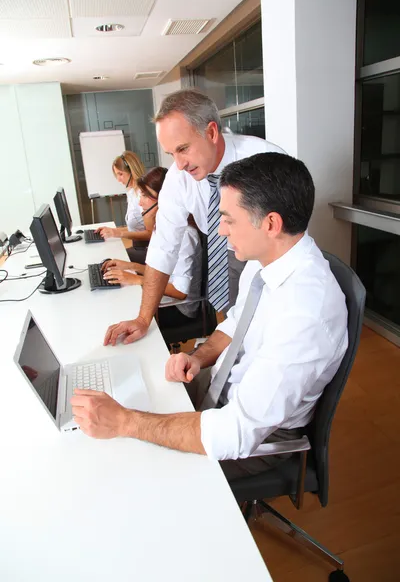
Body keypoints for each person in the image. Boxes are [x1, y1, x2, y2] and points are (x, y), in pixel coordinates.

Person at [71, 152, 348, 481]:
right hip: (220, 389)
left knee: (132, 465)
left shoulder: (306, 312)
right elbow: (234, 325)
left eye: (229, 219)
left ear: (271, 224)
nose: (220, 230)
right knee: (127, 401)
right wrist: (198, 357)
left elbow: (237, 431)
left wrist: (125, 422)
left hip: (255, 437)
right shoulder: (265, 263)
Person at [103, 89, 286, 347]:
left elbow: (289, 238)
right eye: (171, 155)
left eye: (183, 149)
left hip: (268, 256)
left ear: (211, 133)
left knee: (264, 334)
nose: (179, 164)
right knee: (231, 326)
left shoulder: (266, 160)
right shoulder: (179, 179)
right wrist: (143, 319)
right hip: (222, 249)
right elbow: (163, 245)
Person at [102, 169, 202, 328]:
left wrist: (136, 279)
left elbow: (180, 292)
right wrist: (130, 267)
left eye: (144, 196)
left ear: (162, 199)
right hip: (165, 296)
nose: (140, 202)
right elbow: (162, 272)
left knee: (120, 309)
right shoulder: (165, 226)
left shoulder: (184, 235)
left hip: (178, 308)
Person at [95, 151, 150, 264]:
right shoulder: (131, 192)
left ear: (132, 171)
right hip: (138, 246)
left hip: (148, 250)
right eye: (117, 175)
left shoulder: (142, 195)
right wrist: (112, 231)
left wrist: (117, 233)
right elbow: (135, 228)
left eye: (120, 174)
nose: (118, 179)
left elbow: (150, 233)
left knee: (111, 261)